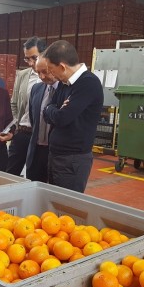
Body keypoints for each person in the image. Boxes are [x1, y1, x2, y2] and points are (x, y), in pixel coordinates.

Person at [43, 40, 104, 193]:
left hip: (72, 160)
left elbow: (62, 118)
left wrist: (54, 110)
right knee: (53, 205)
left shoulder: (88, 84)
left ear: (62, 67)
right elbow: (47, 109)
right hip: (56, 156)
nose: (51, 74)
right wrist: (53, 109)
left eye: (51, 69)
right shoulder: (65, 83)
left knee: (66, 210)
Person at [7, 36, 47, 176]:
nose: (30, 63)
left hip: (39, 139)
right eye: (27, 59)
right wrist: (16, 126)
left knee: (34, 175)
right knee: (10, 172)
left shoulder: (51, 77)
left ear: (44, 54)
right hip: (22, 133)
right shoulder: (22, 75)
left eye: (34, 58)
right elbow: (14, 103)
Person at [26, 54, 59, 183]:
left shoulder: (66, 91)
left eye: (45, 72)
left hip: (55, 152)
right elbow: (33, 118)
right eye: (38, 72)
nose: (41, 77)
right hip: (36, 151)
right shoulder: (36, 89)